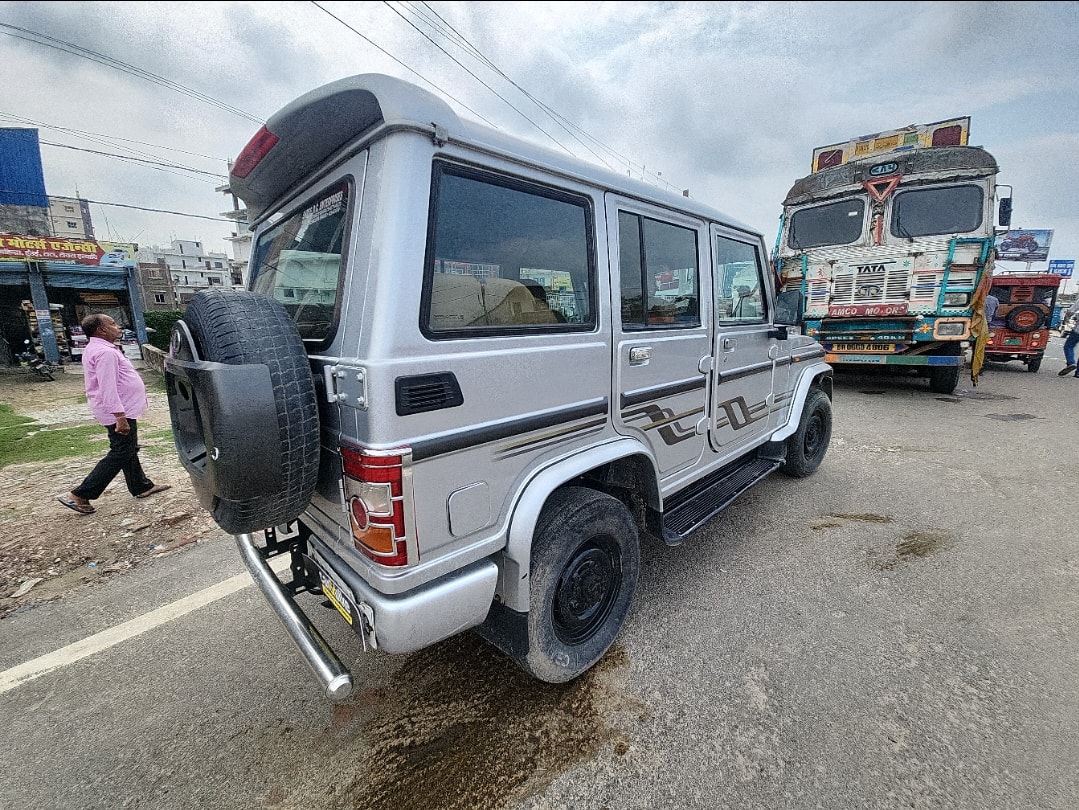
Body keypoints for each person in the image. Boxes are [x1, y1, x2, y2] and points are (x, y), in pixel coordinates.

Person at [58, 314, 170, 514]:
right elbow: (107, 387)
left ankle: (141, 486)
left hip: (121, 409)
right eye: (112, 324)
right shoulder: (104, 353)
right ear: (101, 330)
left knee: (128, 449)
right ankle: (81, 494)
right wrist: (120, 416)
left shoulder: (99, 348)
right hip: (119, 410)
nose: (118, 327)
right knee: (121, 452)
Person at [1060, 299, 1079, 377]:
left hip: (1078, 330)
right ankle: (1078, 373)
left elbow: (1071, 311)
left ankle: (1071, 362)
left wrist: (1066, 319)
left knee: (1068, 346)